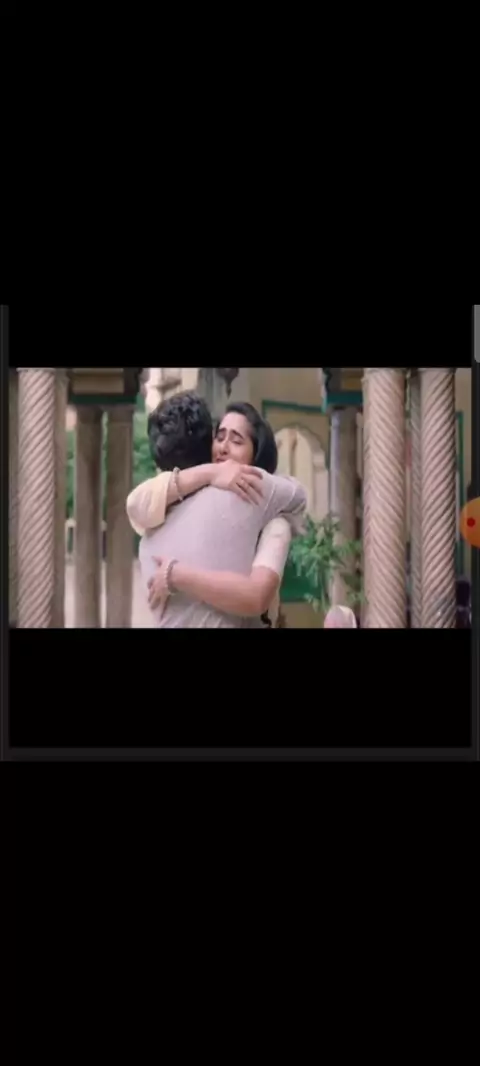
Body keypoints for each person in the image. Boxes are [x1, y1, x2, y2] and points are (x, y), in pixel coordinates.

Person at [127, 394, 306, 628]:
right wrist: (212, 472)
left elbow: (256, 597)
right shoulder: (177, 503)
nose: (223, 447)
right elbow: (135, 503)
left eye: (236, 441)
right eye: (219, 438)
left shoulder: (272, 520)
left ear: (257, 453)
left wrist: (176, 574)